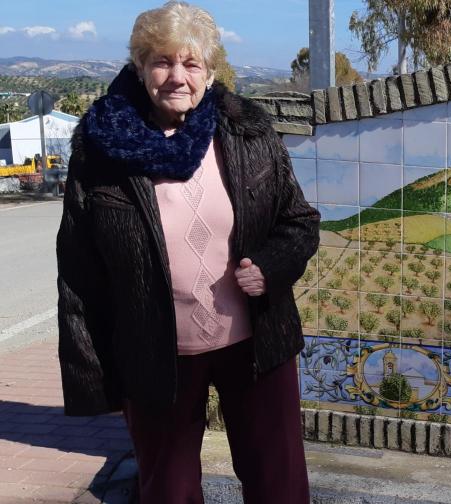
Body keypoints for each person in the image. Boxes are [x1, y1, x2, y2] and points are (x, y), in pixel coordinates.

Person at [55, 2, 318, 502]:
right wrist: (94, 376)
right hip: (155, 355)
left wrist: (271, 266)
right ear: (139, 68)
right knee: (168, 490)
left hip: (257, 343)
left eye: (191, 63)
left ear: (210, 73)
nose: (177, 76)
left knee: (279, 482)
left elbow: (299, 221)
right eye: (162, 61)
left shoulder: (248, 131)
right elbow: (78, 270)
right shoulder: (101, 148)